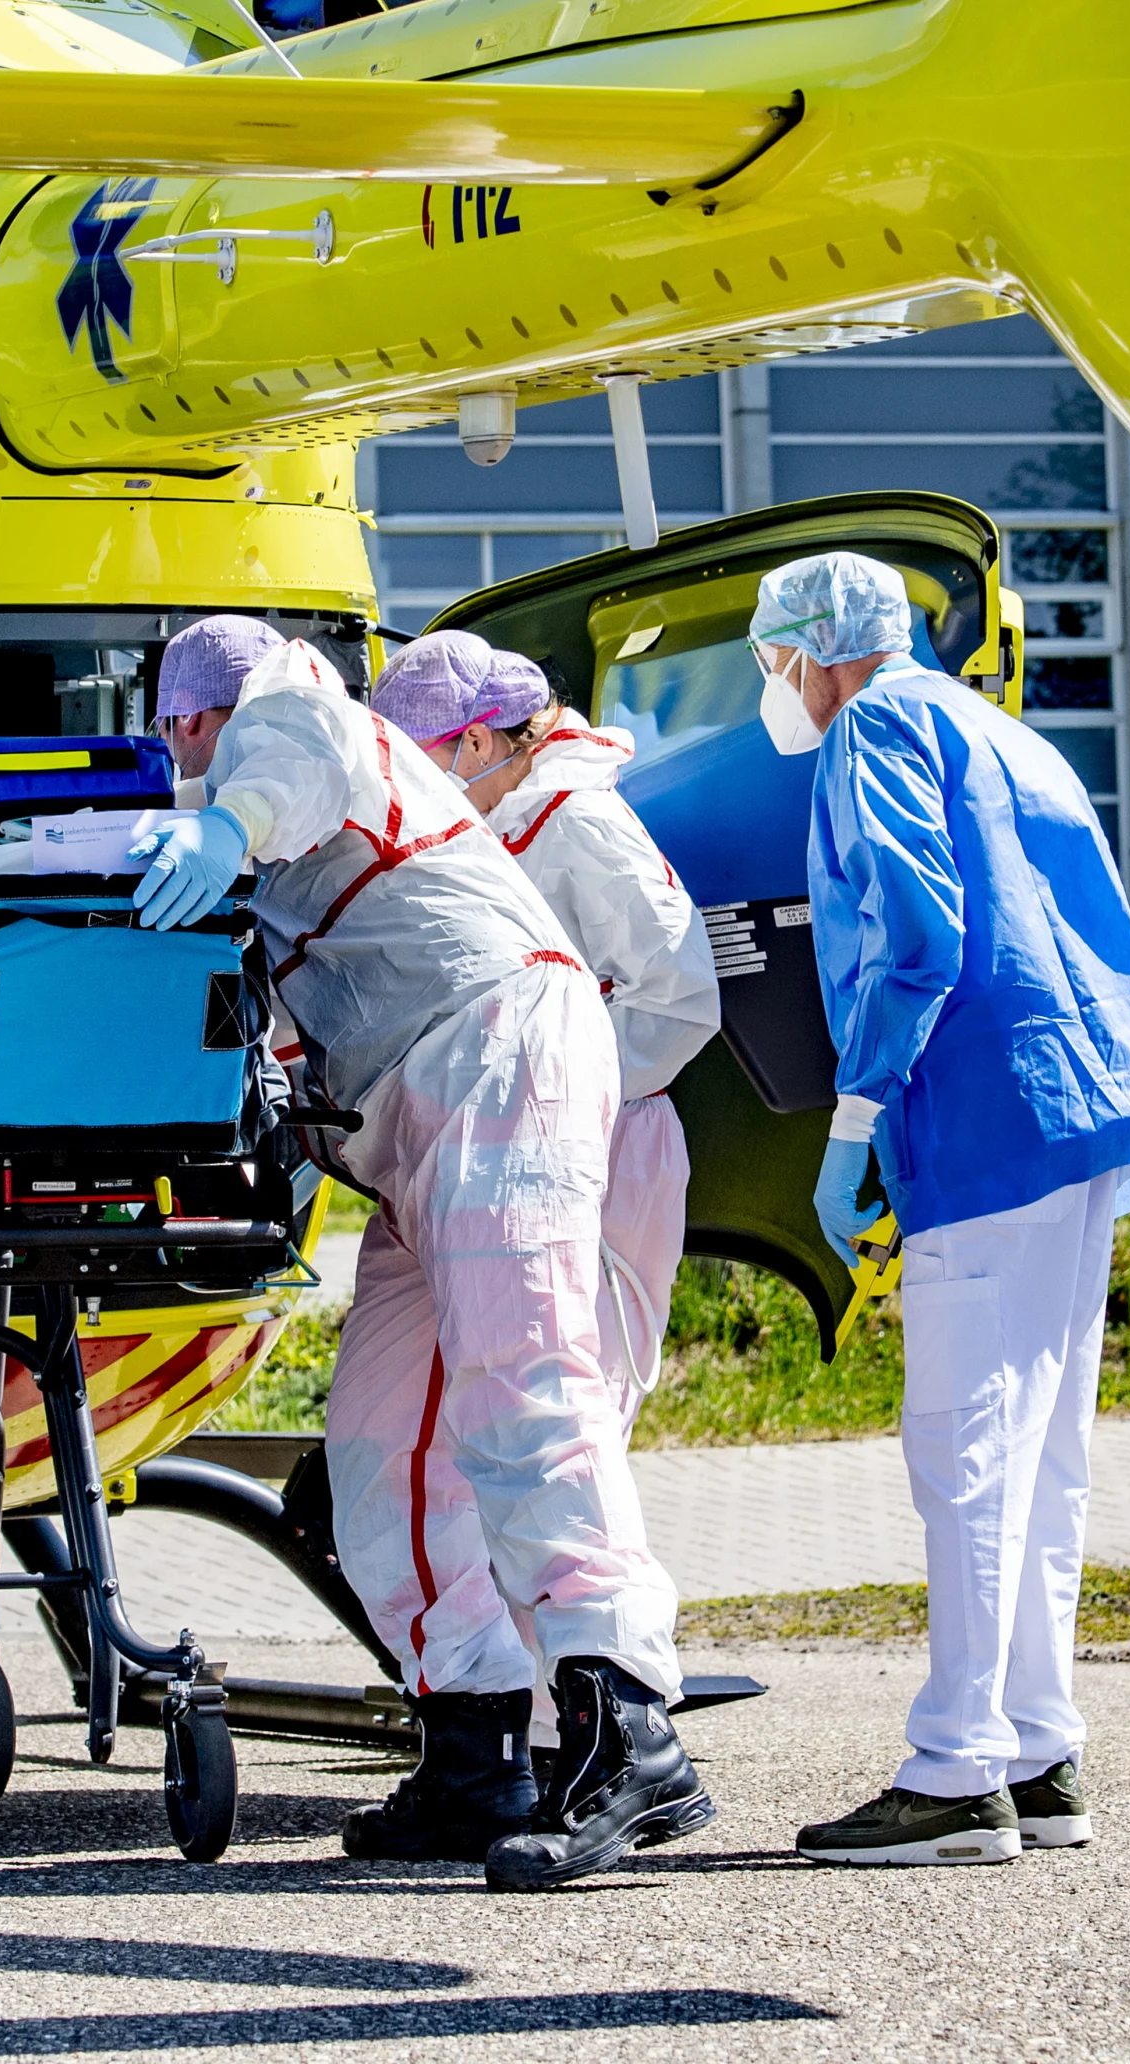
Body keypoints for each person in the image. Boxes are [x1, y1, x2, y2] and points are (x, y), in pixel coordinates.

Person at [132, 615, 704, 1892]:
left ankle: (627, 1729)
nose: (184, 745)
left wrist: (227, 820)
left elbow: (291, 740)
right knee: (382, 1440)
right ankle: (474, 1742)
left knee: (524, 1386)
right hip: (405, 1116)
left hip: (492, 1048)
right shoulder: (262, 815)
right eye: (170, 723)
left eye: (193, 719)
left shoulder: (298, 719)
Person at [751, 552, 1130, 1869]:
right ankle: (1037, 1747)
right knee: (1042, 1452)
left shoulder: (874, 726)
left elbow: (921, 935)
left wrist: (857, 1117)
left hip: (979, 1113)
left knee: (960, 1449)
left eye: (774, 659)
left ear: (821, 649)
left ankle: (956, 1772)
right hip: (1080, 1112)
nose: (773, 690)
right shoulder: (1002, 734)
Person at [370, 632, 719, 1425]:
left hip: (605, 1137)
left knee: (574, 1416)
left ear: (480, 740)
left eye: (423, 764)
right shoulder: (513, 819)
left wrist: (555, 1094)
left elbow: (681, 994)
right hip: (538, 1138)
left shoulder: (577, 821)